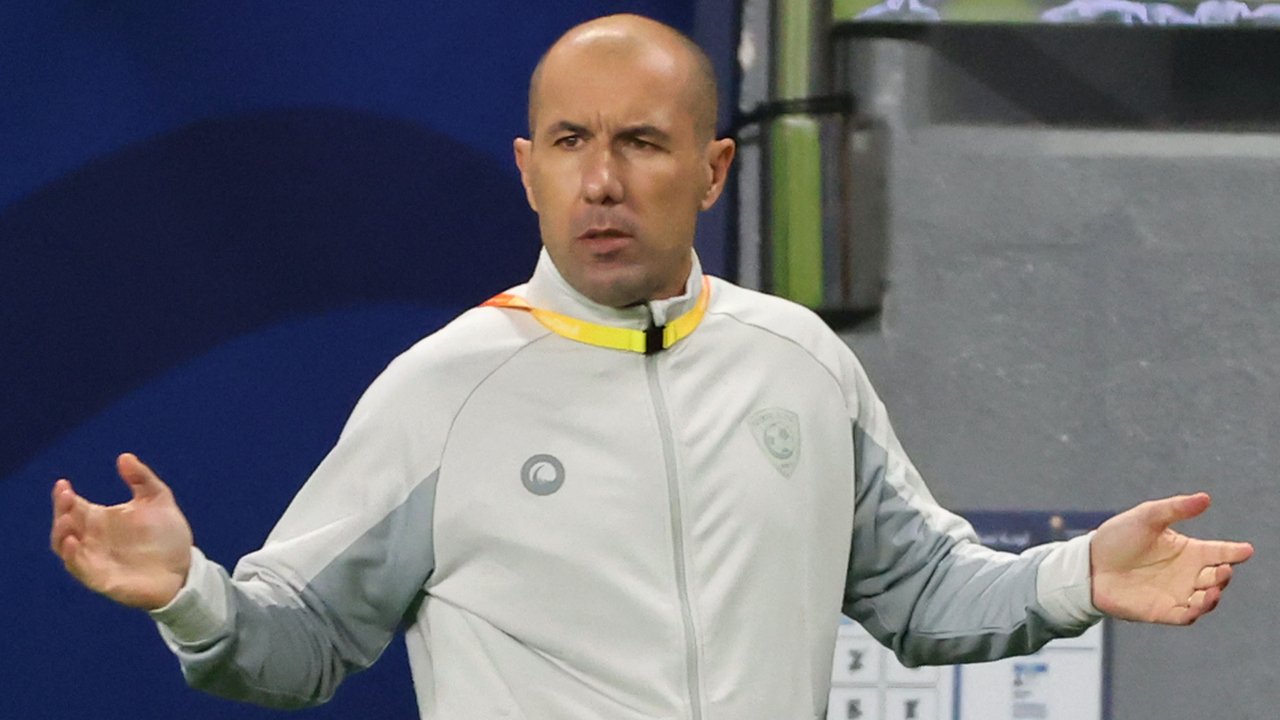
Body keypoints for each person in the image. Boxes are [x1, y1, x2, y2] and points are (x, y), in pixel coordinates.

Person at [50, 13, 1253, 720]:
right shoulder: (443, 389)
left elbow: (925, 594)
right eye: (570, 143)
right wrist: (188, 593)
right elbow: (294, 642)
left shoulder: (798, 364)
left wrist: (1075, 575)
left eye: (639, 142)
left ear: (715, 170)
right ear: (527, 169)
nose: (603, 181)